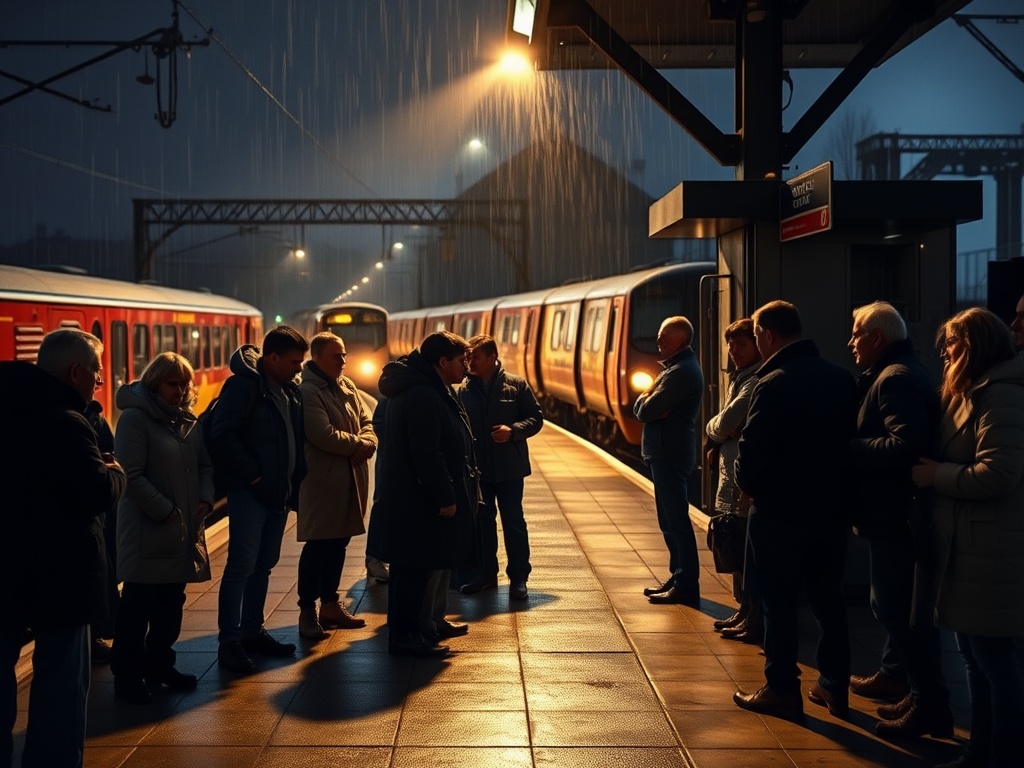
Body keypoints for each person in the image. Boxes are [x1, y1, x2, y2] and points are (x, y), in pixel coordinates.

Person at [0, 328, 126, 768]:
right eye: (95, 373)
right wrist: (115, 473)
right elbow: (93, 493)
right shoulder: (66, 421)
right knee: (60, 685)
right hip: (62, 573)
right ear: (75, 372)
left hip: (5, 569)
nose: (98, 382)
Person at [733, 300, 857, 720]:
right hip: (831, 512)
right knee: (828, 600)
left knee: (779, 601)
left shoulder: (771, 383)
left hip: (779, 515)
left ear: (767, 336)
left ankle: (782, 688)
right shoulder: (842, 379)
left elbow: (752, 455)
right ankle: (834, 687)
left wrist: (746, 483)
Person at [912, 307, 1024, 768]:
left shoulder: (1002, 396)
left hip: (990, 552)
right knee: (976, 661)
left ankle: (1005, 755)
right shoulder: (974, 392)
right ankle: (981, 751)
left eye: (952, 344)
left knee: (995, 663)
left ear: (973, 347)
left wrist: (939, 475)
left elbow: (1000, 474)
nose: (944, 353)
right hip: (968, 551)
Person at [845, 301, 953, 737]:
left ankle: (930, 705)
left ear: (877, 338)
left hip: (896, 515)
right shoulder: (901, 371)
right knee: (896, 608)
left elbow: (905, 447)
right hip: (894, 514)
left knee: (895, 609)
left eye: (856, 334)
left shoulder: (896, 380)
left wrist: (848, 448)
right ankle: (905, 684)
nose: (850, 342)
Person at [110, 353, 214, 704]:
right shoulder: (136, 420)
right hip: (148, 532)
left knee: (170, 605)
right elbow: (130, 474)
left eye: (185, 384)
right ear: (155, 383)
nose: (181, 391)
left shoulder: (186, 421)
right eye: (173, 384)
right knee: (137, 609)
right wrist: (164, 509)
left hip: (181, 531)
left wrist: (206, 497)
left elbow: (203, 465)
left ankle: (159, 666)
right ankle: (127, 677)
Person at [368, 331, 477, 658]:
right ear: (443, 362)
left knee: (412, 569)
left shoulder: (423, 389)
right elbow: (427, 453)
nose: (466, 368)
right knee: (412, 572)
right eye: (462, 361)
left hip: (411, 497)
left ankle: (417, 630)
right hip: (417, 500)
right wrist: (445, 495)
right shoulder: (423, 395)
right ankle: (405, 637)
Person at [209, 326, 308, 674]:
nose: (299, 368)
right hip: (250, 493)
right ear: (272, 358)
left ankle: (252, 630)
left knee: (264, 563)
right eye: (295, 362)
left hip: (277, 493)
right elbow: (223, 434)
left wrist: (296, 480)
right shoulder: (243, 386)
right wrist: (253, 476)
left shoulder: (289, 390)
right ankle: (229, 641)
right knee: (241, 565)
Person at [296, 332, 376, 640]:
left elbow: (368, 421)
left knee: (338, 542)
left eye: (343, 355)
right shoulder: (308, 391)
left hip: (350, 477)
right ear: (316, 358)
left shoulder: (346, 386)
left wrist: (367, 441)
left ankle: (329, 604)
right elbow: (321, 433)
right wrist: (359, 444)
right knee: (318, 544)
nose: (343, 360)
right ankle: (307, 610)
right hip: (323, 481)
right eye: (336, 355)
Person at [458, 334, 544, 601]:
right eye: (468, 357)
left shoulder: (515, 385)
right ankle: (486, 575)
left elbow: (536, 418)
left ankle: (519, 578)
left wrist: (514, 431)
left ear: (492, 358)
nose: (469, 362)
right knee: (482, 523)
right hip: (478, 470)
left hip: (509, 469)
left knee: (513, 522)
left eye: (475, 357)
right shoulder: (463, 389)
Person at [634, 316, 703, 607]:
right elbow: (646, 407)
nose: (658, 340)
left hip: (670, 452)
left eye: (664, 336)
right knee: (668, 520)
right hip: (665, 450)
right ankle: (677, 577)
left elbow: (645, 411)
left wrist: (647, 399)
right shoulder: (677, 368)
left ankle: (686, 584)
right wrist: (646, 399)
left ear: (681, 341)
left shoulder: (680, 373)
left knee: (676, 521)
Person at [704, 318, 762, 643]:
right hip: (732, 478)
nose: (733, 350)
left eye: (741, 344)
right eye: (730, 344)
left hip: (742, 481)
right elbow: (724, 426)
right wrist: (721, 429)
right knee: (739, 551)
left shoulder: (752, 382)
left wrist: (718, 429)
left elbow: (725, 421)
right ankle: (744, 611)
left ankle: (751, 614)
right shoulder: (738, 378)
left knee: (745, 551)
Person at [85, 399, 118, 666]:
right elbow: (111, 458)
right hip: (87, 519)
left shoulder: (93, 415)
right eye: (95, 370)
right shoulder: (86, 418)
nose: (99, 379)